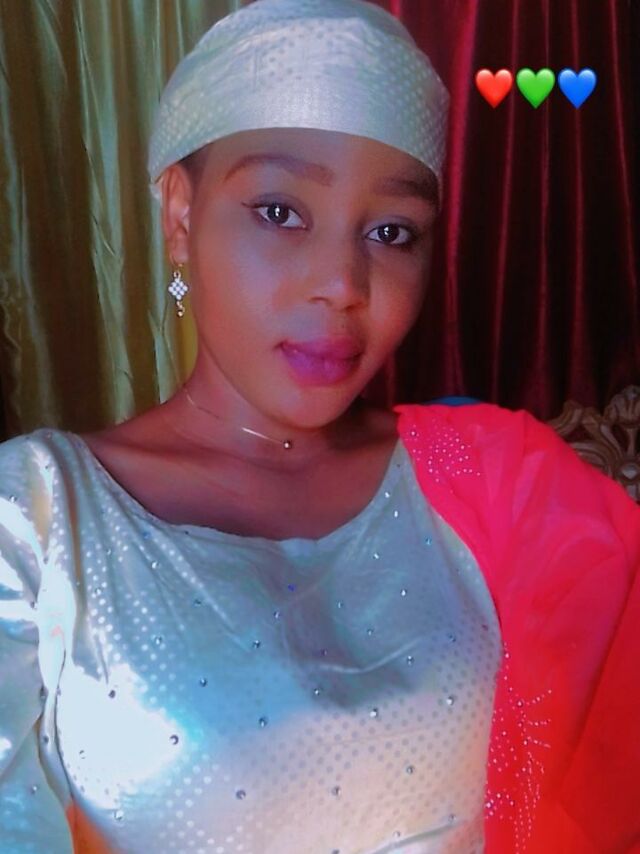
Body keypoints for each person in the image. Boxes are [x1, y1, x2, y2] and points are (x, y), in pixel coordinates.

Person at [0, 1, 638, 852]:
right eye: (280, 212)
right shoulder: (39, 519)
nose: (342, 283)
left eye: (392, 232)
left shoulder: (492, 481)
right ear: (180, 215)